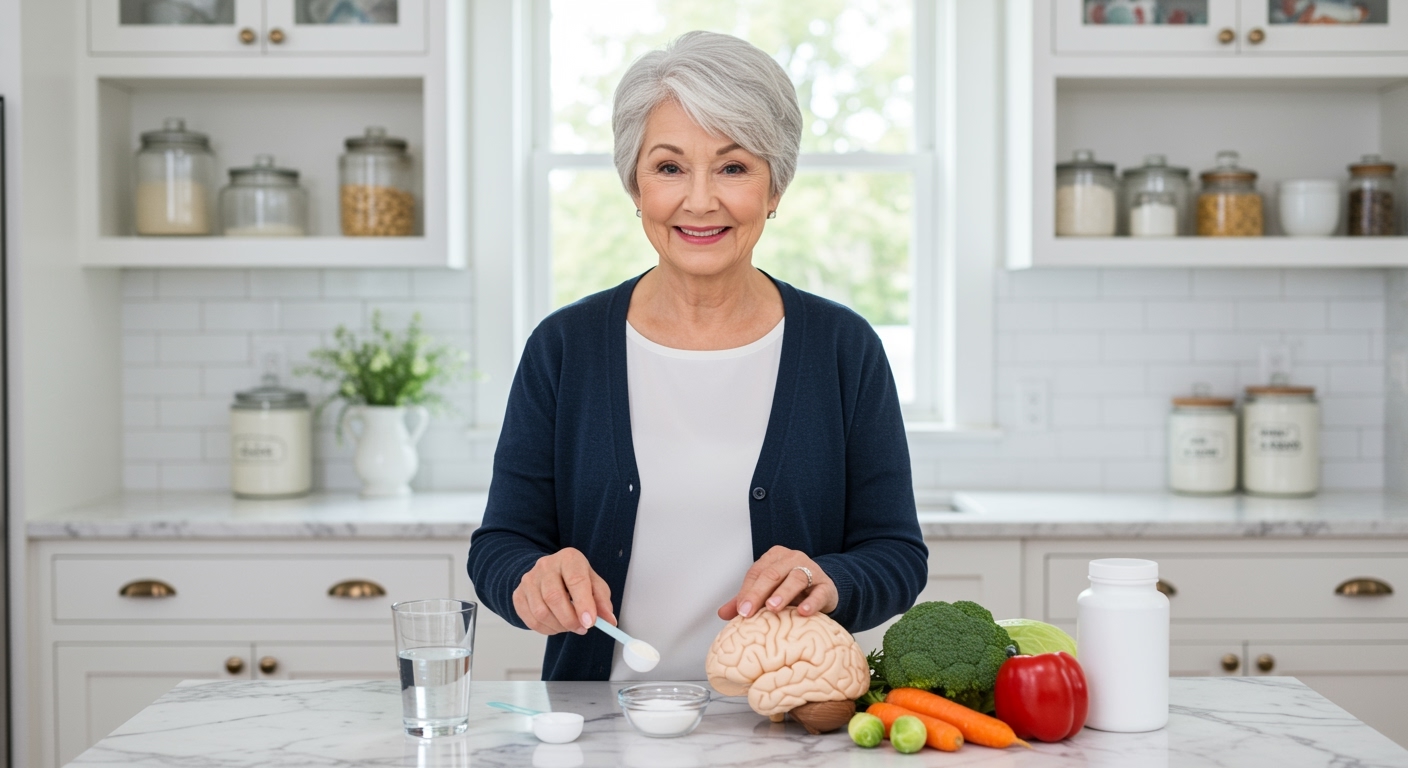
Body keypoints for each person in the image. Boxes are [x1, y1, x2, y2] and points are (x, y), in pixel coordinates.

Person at [467, 30, 927, 682]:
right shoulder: (564, 347)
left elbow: (897, 556)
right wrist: (528, 578)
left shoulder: (843, 348)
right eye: (669, 166)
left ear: (776, 188)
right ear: (634, 185)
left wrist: (831, 578)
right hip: (600, 728)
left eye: (734, 167)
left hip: (786, 728)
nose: (701, 199)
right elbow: (499, 547)